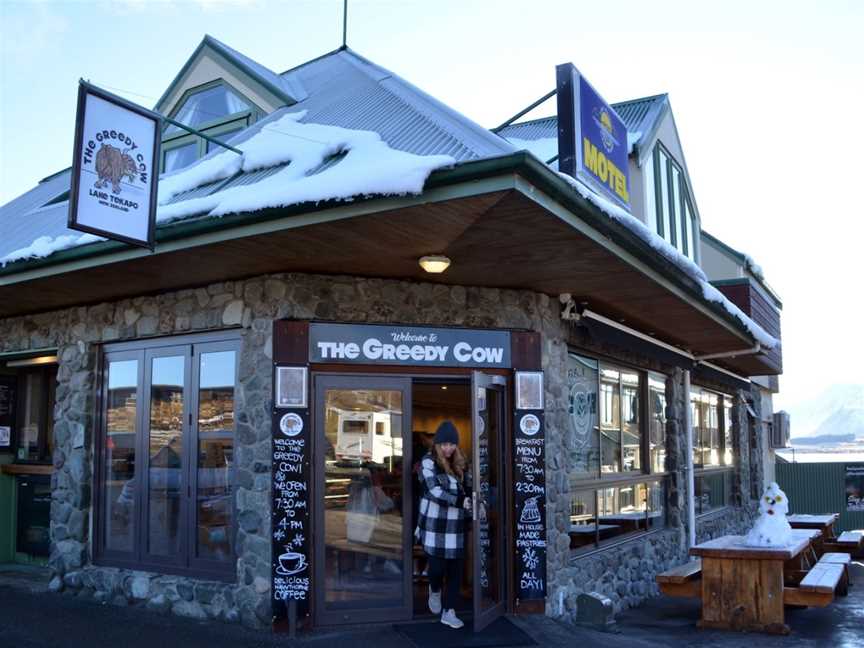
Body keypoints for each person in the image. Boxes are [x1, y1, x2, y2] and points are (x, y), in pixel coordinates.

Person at [414, 420, 471, 629]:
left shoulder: (461, 464)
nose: (448, 448)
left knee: (455, 570)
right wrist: (460, 501)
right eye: (444, 444)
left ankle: (449, 611)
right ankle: (435, 589)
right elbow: (433, 491)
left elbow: (469, 489)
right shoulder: (428, 462)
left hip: (456, 525)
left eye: (452, 444)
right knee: (437, 568)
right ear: (437, 444)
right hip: (435, 524)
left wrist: (475, 503)